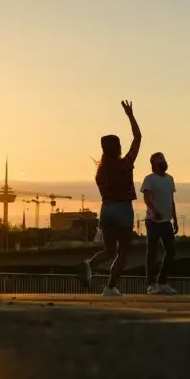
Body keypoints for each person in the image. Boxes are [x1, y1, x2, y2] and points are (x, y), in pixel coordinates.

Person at [80, 100, 141, 296]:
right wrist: (130, 115)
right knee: (122, 252)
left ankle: (90, 263)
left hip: (106, 210)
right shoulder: (125, 164)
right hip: (123, 209)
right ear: (118, 148)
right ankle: (111, 287)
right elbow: (138, 138)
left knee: (109, 251)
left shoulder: (100, 173)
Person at [141, 152, 178, 295]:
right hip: (153, 221)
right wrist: (155, 211)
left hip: (166, 221)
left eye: (164, 158)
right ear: (153, 163)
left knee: (171, 250)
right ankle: (150, 284)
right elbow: (147, 199)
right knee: (152, 252)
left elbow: (171, 200)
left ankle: (162, 282)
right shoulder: (149, 179)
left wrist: (174, 218)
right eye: (160, 159)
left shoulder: (170, 179)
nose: (163, 161)